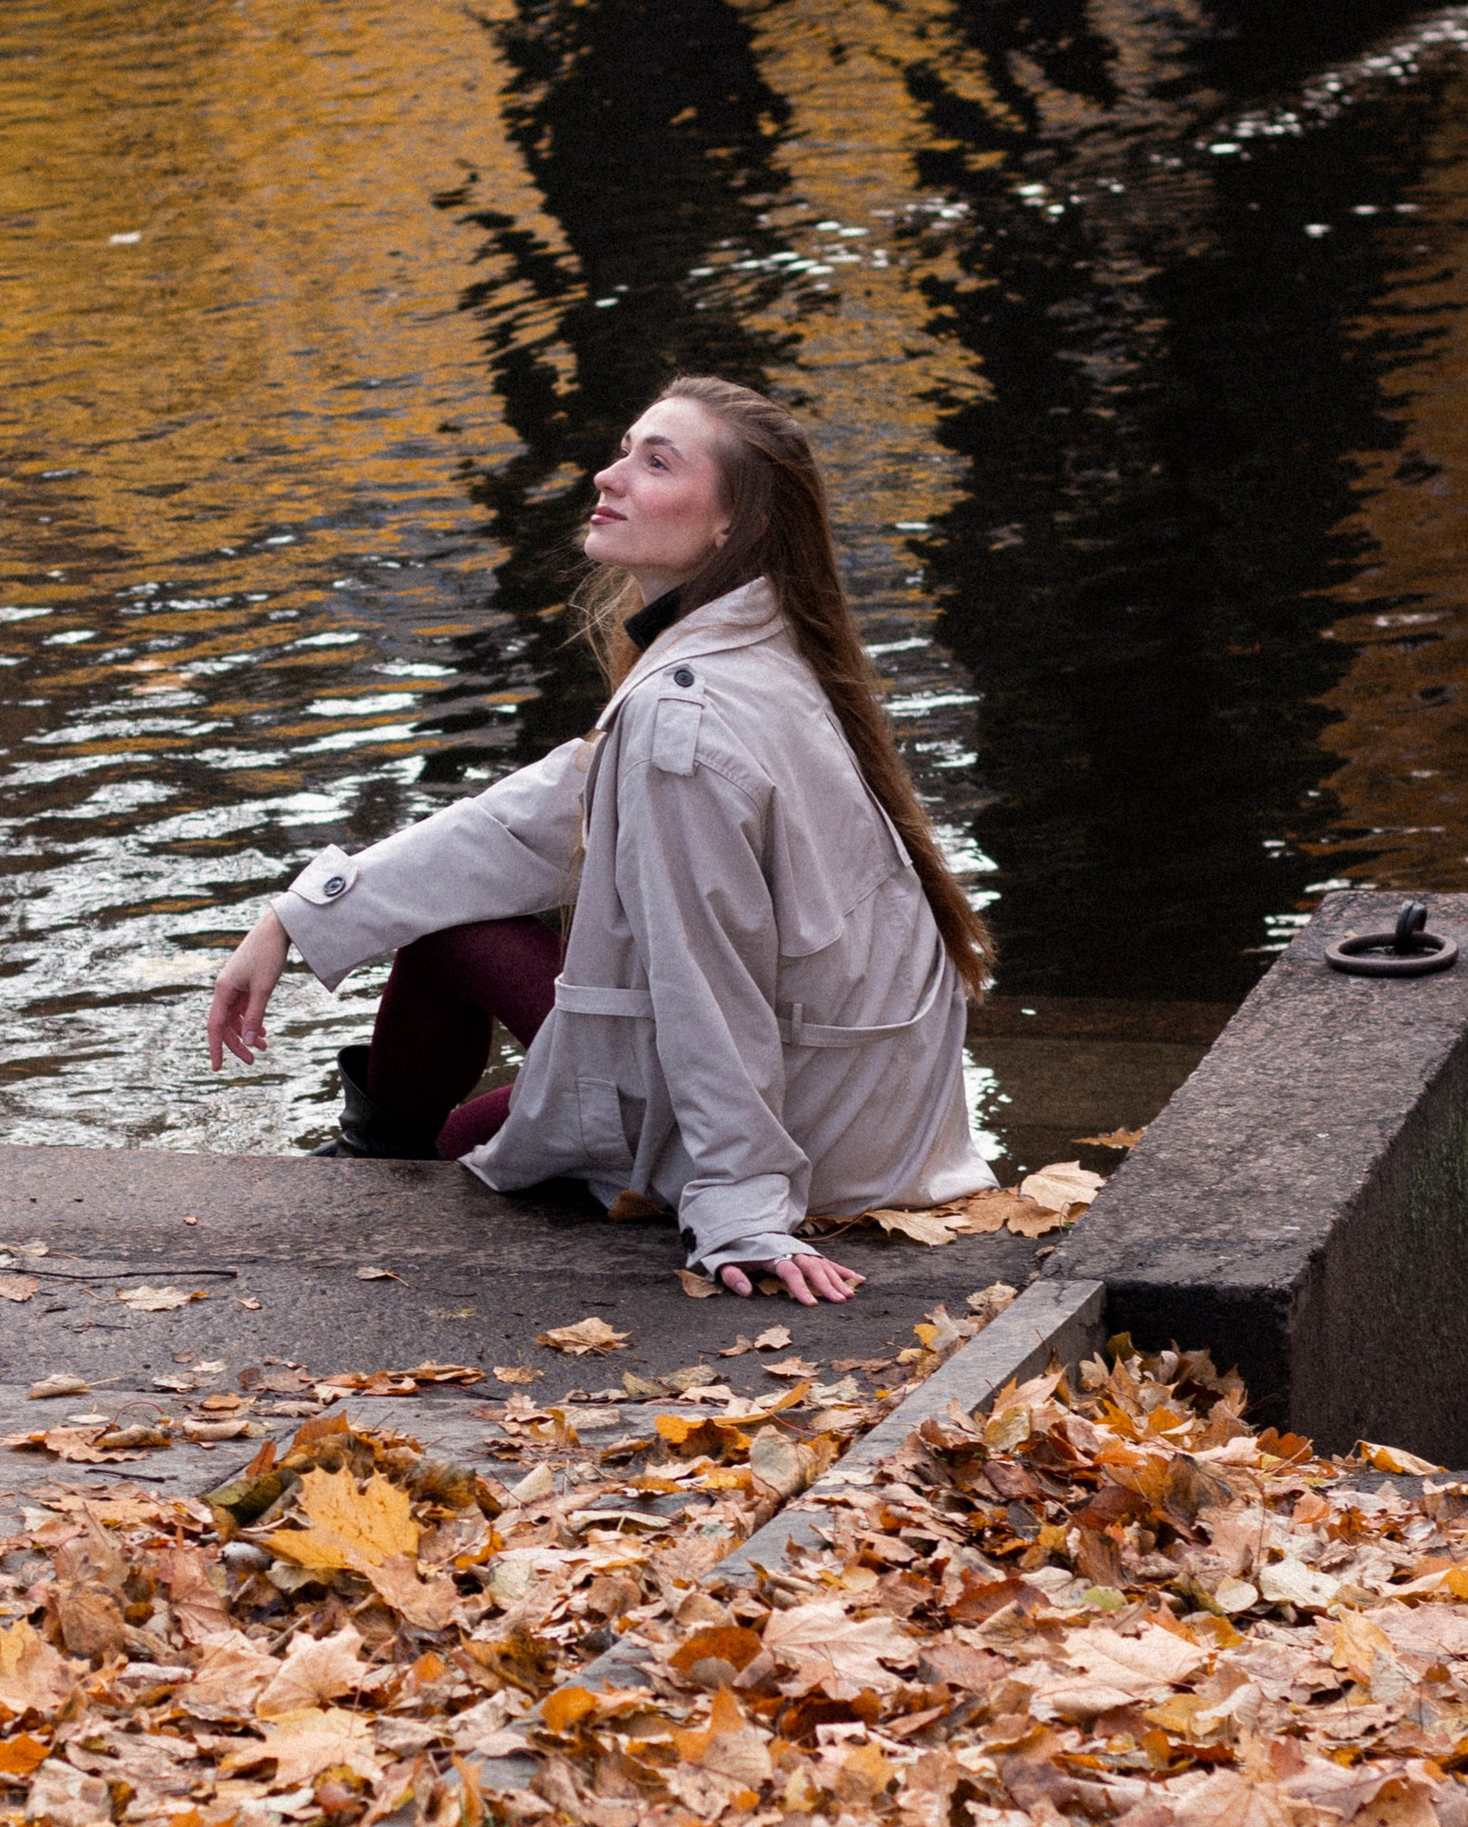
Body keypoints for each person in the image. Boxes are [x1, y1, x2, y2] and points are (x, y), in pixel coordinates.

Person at [205, 375, 995, 1304]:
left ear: (730, 527)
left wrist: (741, 1212)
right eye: (624, 450)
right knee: (448, 921)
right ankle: (373, 1154)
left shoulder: (686, 717)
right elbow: (537, 814)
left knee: (465, 1149)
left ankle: (376, 1163)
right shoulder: (768, 645)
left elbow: (711, 975)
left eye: (654, 462)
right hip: (869, 1124)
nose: (607, 476)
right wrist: (296, 917)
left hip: (805, 1142)